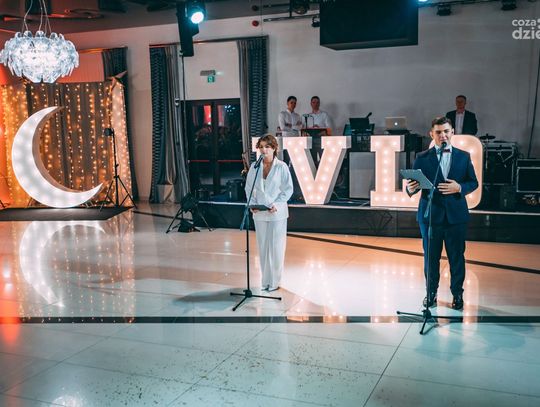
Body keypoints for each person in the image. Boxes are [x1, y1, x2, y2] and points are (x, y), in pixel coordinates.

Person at [406, 116, 478, 310]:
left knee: (456, 257)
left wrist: (459, 187)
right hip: (430, 216)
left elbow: (473, 182)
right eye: (438, 132)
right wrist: (410, 188)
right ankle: (431, 293)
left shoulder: (464, 156)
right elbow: (412, 185)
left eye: (446, 131)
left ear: (452, 132)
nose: (443, 135)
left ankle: (457, 294)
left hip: (456, 217)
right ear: (432, 134)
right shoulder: (422, 157)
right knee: (431, 258)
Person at [245, 134, 294, 291]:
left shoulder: (281, 167)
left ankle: (275, 282)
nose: (263, 150)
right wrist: (252, 204)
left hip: (277, 213)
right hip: (259, 213)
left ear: (274, 148)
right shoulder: (254, 167)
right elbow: (249, 188)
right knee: (263, 248)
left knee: (276, 248)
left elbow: (288, 190)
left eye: (267, 146)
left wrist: (276, 205)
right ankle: (265, 281)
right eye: (261, 147)